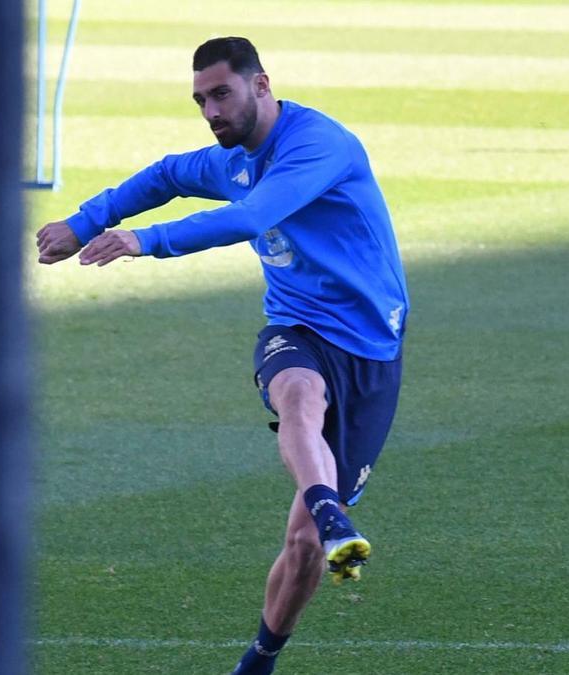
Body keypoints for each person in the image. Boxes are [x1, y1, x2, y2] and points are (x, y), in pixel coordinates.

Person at [35, 37, 409, 673]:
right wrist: (83, 221)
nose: (210, 112)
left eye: (221, 94)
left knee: (301, 548)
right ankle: (333, 514)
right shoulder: (229, 160)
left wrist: (143, 240)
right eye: (200, 100)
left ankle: (260, 659)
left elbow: (251, 217)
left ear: (261, 85)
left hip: (371, 343)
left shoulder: (318, 146)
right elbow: (165, 175)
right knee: (298, 394)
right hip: (297, 326)